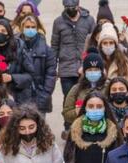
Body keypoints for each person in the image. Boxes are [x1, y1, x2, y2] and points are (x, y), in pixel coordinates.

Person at [63, 91, 122, 163]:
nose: (95, 109)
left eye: (99, 106)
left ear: (105, 109)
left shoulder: (114, 133)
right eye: (91, 106)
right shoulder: (75, 133)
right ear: (85, 108)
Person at [52, 0, 96, 129]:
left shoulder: (89, 20)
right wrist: (53, 67)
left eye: (72, 6)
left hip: (85, 67)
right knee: (68, 98)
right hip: (66, 67)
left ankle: (86, 124)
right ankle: (69, 127)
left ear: (78, 5)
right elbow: (55, 45)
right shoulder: (58, 21)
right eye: (67, 7)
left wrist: (89, 64)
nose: (70, 9)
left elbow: (94, 43)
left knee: (87, 96)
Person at [0, 18, 36, 106]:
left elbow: (30, 75)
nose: (0, 33)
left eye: (3, 31)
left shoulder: (19, 48)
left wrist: (12, 78)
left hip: (16, 95)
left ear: (8, 33)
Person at [19, 15, 57, 113]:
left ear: (37, 28)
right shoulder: (15, 46)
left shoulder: (47, 50)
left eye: (33, 27)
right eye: (27, 27)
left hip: (39, 96)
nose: (30, 29)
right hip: (19, 96)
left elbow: (51, 74)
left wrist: (45, 94)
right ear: (22, 28)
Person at [62, 48, 108, 129]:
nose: (93, 72)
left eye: (96, 70)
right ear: (84, 71)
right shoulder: (76, 89)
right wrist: (78, 112)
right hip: (81, 129)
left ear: (101, 71)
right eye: (90, 70)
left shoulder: (109, 87)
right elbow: (66, 113)